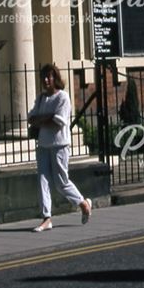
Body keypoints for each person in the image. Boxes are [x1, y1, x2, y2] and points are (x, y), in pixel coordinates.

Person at [27, 63, 92, 232]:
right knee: (42, 180)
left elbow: (58, 122)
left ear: (55, 78)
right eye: (44, 77)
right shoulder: (41, 98)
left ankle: (83, 203)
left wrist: (42, 119)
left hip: (59, 145)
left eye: (50, 76)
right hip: (43, 145)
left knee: (61, 183)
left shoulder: (63, 97)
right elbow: (31, 117)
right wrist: (45, 118)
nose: (47, 80)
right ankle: (46, 218)